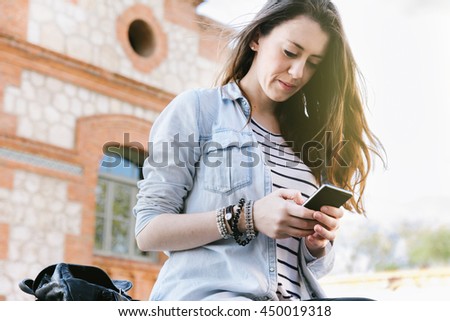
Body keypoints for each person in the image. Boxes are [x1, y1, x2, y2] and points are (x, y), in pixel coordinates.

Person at [133, 0, 383, 301]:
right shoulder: (198, 110)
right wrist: (247, 216)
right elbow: (148, 230)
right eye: (290, 52)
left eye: (313, 63)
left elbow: (304, 266)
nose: (297, 71)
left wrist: (318, 244)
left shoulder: (307, 139)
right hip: (213, 300)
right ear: (257, 38)